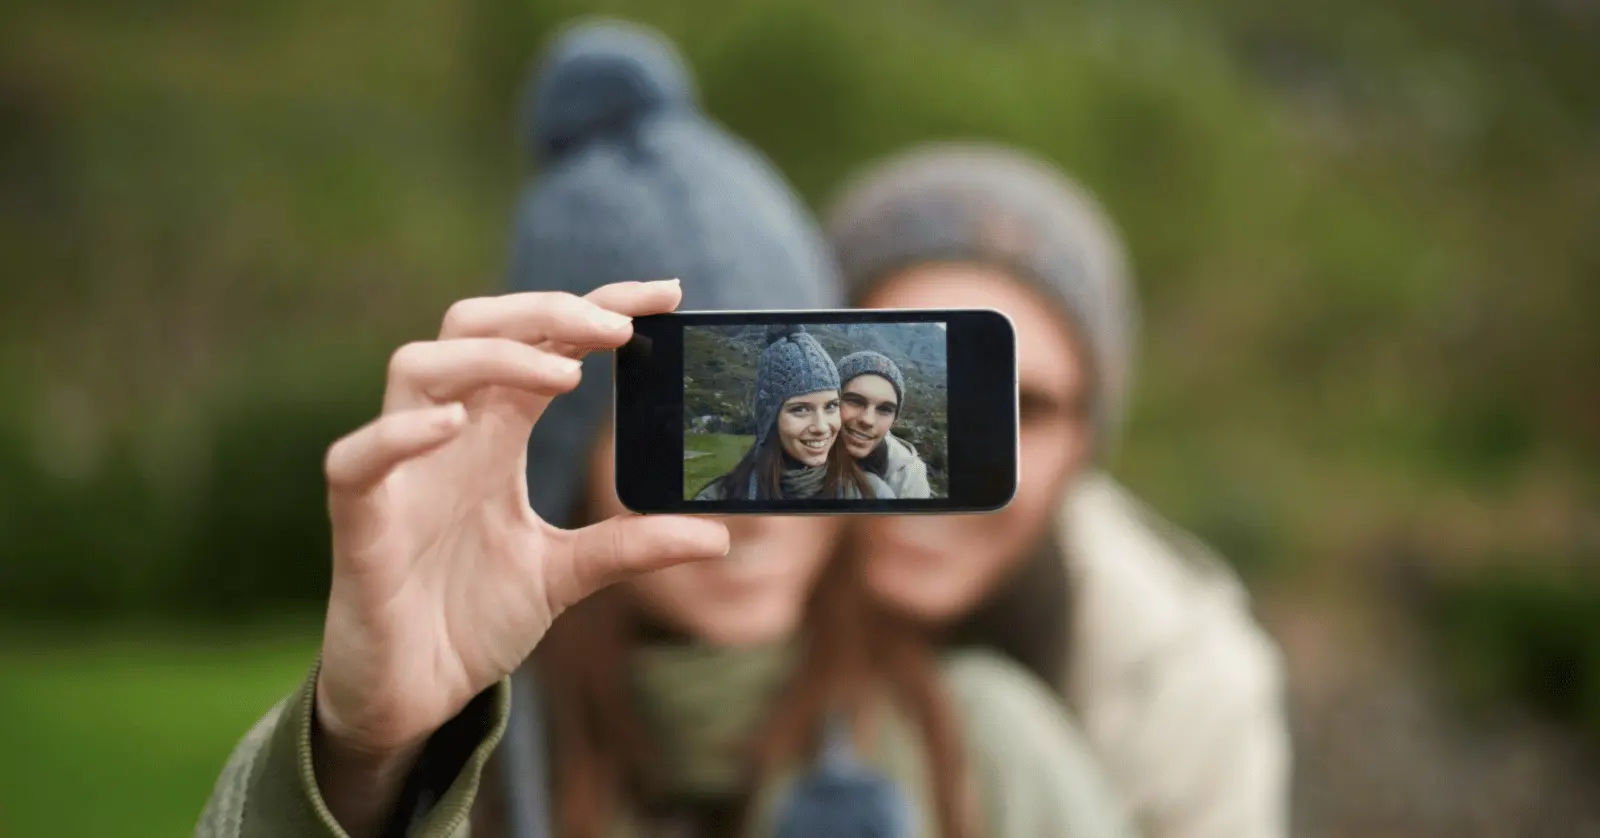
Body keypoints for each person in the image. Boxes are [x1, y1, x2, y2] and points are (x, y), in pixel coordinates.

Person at [194, 22, 1138, 838]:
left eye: (821, 418)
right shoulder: (452, 758)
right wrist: (365, 763)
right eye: (705, 432)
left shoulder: (986, 750)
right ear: (565, 447)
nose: (764, 519)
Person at [825, 143, 1293, 838]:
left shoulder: (1179, 683)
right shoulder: (696, 570)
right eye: (894, 392)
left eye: (1021, 411)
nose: (937, 466)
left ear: (1085, 448)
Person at [693, 326, 892, 501]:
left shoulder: (874, 494)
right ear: (769, 419)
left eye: (831, 406)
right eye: (801, 409)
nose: (822, 427)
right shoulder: (716, 500)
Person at [835, 350, 931, 499]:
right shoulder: (797, 451)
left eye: (884, 409)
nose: (867, 420)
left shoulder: (909, 476)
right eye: (854, 401)